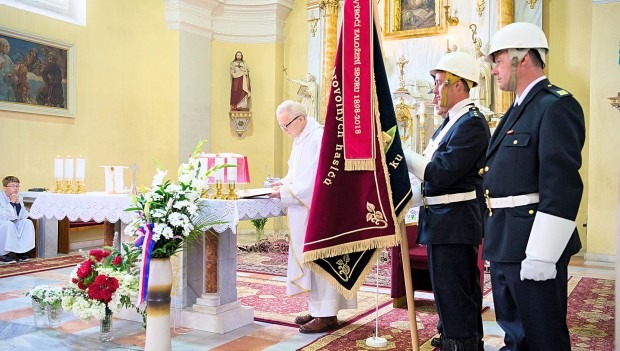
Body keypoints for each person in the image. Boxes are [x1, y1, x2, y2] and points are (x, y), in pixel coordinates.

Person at [482, 22, 585, 351]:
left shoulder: (555, 106)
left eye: (497, 60)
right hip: (506, 242)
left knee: (544, 337)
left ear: (521, 58)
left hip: (532, 245)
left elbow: (562, 185)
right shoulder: (515, 110)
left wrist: (542, 254)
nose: (494, 70)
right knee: (517, 335)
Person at [403, 51, 489, 351]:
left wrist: (402, 152)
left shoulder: (472, 123)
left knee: (456, 289)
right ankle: (453, 333)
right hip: (443, 218)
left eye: (440, 83)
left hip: (455, 220)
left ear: (459, 86)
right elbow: (431, 178)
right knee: (448, 288)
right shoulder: (451, 122)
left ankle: (462, 342)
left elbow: (441, 173)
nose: (435, 92)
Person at [269, 100, 356, 334]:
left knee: (320, 259)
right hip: (306, 209)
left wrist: (287, 191)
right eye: (281, 127)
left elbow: (313, 181)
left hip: (320, 211)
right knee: (310, 260)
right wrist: (284, 183)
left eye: (286, 125)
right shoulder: (301, 138)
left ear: (300, 119)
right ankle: (317, 309)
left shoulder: (318, 138)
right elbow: (297, 174)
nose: (284, 131)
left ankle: (327, 314)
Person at [0, 176, 36, 264]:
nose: (15, 188)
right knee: (8, 224)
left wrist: (18, 205)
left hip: (13, 221)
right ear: (5, 188)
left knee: (27, 222)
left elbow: (23, 215)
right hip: (2, 222)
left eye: (17, 186)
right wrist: (11, 203)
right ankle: (3, 254)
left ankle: (22, 252)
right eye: (12, 186)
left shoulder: (19, 197)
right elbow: (3, 216)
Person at [0, 38, 16, 102]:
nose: (7, 48)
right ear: (1, 46)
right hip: (1, 81)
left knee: (11, 93)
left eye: (7, 46)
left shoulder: (7, 58)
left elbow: (13, 67)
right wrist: (4, 75)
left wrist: (12, 74)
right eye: (5, 46)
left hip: (7, 81)